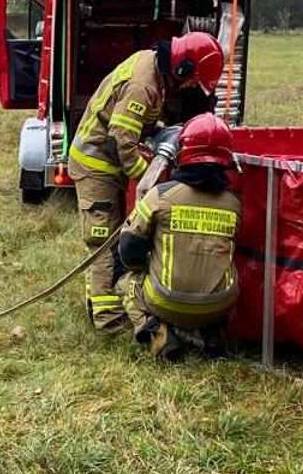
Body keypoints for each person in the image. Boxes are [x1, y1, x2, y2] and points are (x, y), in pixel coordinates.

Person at [66, 31, 225, 331]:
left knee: (114, 237)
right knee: (103, 239)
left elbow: (140, 127)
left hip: (108, 164)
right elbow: (121, 140)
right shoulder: (143, 83)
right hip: (95, 165)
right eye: (193, 80)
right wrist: (147, 180)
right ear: (182, 68)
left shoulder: (154, 71)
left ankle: (108, 303)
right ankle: (108, 319)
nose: (191, 86)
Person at [115, 113, 242, 360]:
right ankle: (211, 333)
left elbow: (129, 247)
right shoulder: (233, 203)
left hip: (167, 302)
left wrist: (144, 268)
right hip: (220, 304)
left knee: (127, 283)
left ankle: (158, 336)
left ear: (183, 152)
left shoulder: (160, 195)